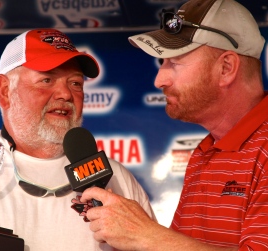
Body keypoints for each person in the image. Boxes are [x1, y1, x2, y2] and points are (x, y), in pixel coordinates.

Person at [0, 28, 156, 251]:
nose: (66, 94)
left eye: (76, 83)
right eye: (46, 80)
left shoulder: (117, 179)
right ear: (5, 91)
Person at [80, 0, 268, 250]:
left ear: (226, 68)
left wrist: (146, 235)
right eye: (161, 63)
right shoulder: (205, 153)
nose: (159, 79)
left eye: (174, 62)